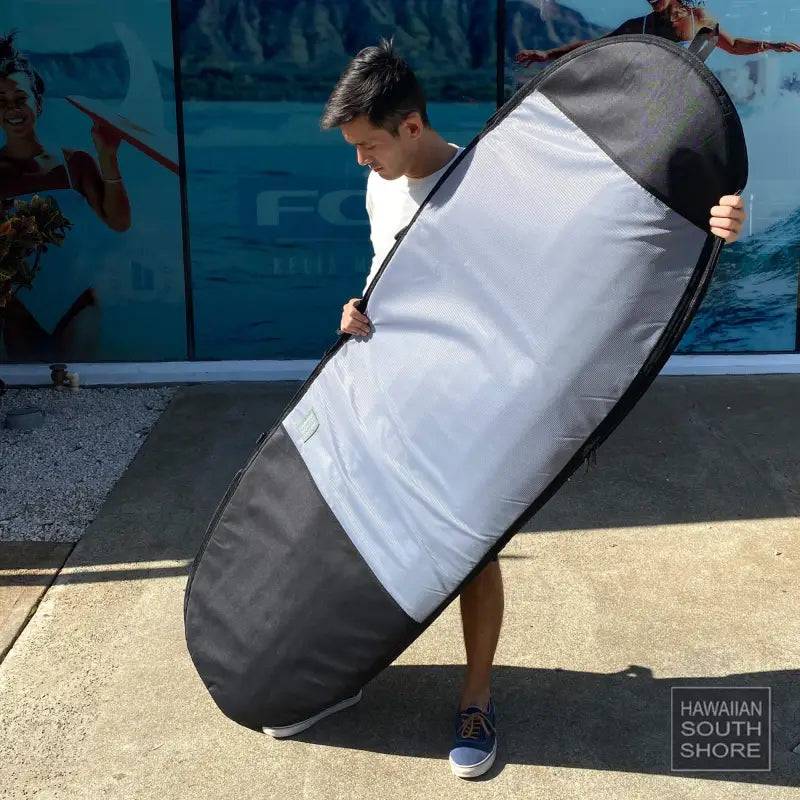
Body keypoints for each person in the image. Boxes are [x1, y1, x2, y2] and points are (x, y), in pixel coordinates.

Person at [321, 39, 745, 779]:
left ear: (412, 126)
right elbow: (389, 275)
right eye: (356, 149)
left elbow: (606, 238)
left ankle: (477, 698)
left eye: (369, 146)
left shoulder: (496, 182)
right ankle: (349, 664)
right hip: (400, 390)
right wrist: (358, 310)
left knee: (471, 551)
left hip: (482, 402)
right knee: (373, 535)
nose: (362, 161)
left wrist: (714, 223)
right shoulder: (381, 187)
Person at [0, 31, 130, 361]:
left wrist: (108, 156)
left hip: (76, 301)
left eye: (20, 98)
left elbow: (119, 222)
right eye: (1, 101)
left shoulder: (75, 164)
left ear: (38, 103)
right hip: (17, 308)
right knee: (32, 387)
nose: (12, 108)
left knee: (75, 384)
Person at [515, 0, 800, 66]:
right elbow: (596, 45)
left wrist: (770, 45)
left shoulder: (697, 17)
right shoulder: (639, 25)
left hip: (685, 95)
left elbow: (734, 45)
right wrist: (547, 54)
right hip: (649, 92)